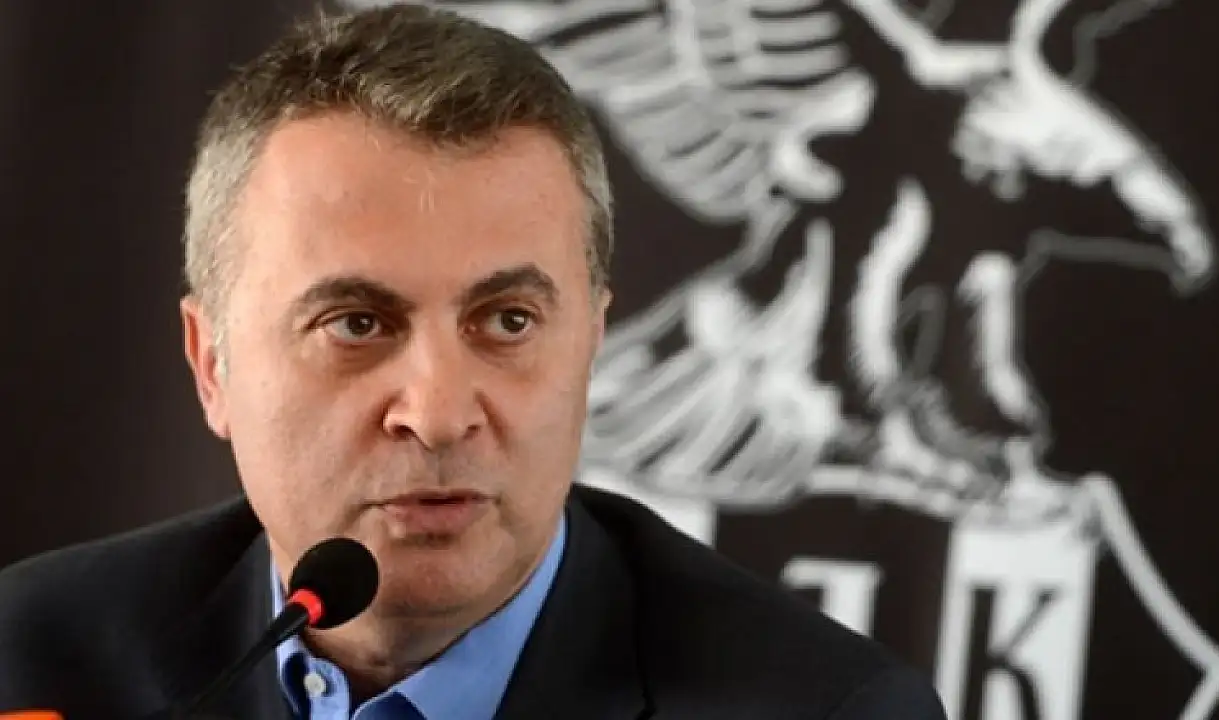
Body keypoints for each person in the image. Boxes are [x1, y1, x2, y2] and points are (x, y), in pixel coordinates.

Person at [0, 4, 948, 719]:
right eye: (357, 324)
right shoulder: (29, 661)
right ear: (213, 365)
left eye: (507, 320)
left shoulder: (827, 710)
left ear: (590, 346)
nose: (439, 413)